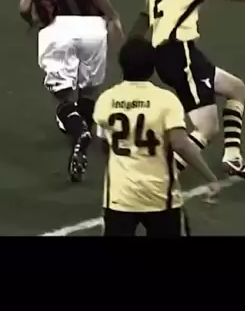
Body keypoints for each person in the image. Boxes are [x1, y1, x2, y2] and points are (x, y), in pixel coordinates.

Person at [129, 0, 245, 178]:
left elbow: (143, 20)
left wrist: (129, 51)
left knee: (235, 88)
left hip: (170, 55)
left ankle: (232, 157)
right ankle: (162, 176)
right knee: (207, 127)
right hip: (181, 55)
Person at [19, 0, 124, 182]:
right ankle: (84, 128)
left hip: (56, 29)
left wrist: (32, 22)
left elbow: (25, 5)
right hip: (91, 27)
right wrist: (113, 16)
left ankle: (79, 132)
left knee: (63, 96)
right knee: (88, 91)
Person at [93, 37, 220, 237]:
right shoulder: (166, 100)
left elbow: (104, 145)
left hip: (119, 197)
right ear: (152, 67)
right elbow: (180, 144)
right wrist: (210, 177)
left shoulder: (106, 99)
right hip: (161, 197)